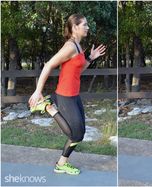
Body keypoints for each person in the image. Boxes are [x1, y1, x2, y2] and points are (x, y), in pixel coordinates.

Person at [28, 13, 106, 175]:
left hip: (74, 95)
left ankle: (61, 164)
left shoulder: (77, 46)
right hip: (65, 95)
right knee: (76, 134)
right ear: (75, 27)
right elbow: (48, 65)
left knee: (80, 133)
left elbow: (77, 70)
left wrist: (90, 58)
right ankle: (49, 108)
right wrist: (37, 91)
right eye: (84, 24)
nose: (87, 27)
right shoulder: (70, 46)